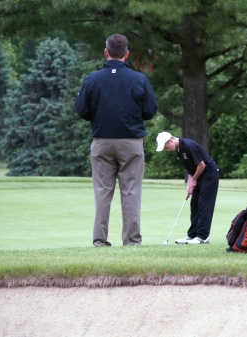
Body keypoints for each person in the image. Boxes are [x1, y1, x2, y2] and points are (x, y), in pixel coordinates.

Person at [76, 34, 158, 247]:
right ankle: (132, 241)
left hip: (102, 142)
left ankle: (99, 241)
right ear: (127, 54)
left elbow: (82, 111)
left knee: (103, 192)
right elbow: (150, 111)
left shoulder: (92, 79)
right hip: (131, 143)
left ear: (106, 52)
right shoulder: (139, 79)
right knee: (131, 192)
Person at [156, 132, 219, 244]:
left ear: (170, 140)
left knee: (204, 205)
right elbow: (190, 169)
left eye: (166, 147)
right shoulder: (179, 150)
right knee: (194, 204)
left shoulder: (189, 145)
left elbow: (201, 165)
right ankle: (192, 235)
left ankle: (202, 237)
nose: (167, 149)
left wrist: (194, 179)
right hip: (200, 176)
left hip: (209, 175)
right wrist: (190, 184)